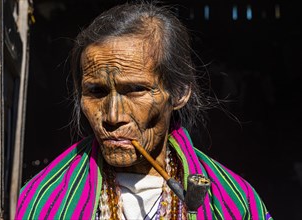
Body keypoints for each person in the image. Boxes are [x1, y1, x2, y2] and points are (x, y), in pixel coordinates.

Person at [15, 2, 272, 220]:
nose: (113, 117)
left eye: (135, 90)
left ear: (180, 93)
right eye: (96, 92)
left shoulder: (233, 203)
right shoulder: (47, 200)